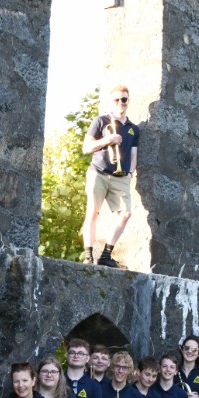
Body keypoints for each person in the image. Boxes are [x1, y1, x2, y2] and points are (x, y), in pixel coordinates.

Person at [82, 84, 140, 268]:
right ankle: (89, 255)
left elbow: (133, 154)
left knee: (125, 214)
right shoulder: (101, 121)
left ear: (128, 101)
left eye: (124, 99)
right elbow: (86, 148)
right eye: (117, 99)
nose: (121, 103)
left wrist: (130, 173)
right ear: (111, 101)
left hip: (121, 176)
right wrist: (108, 139)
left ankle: (106, 255)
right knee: (92, 213)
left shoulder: (133, 129)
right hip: (98, 172)